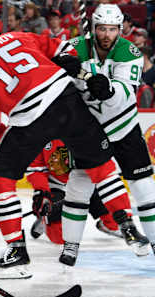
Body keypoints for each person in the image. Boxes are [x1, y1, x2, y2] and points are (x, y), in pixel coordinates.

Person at [0, 20, 143, 279]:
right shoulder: (19, 36)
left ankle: (16, 250)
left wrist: (16, 140)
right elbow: (66, 49)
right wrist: (68, 62)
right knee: (101, 166)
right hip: (67, 97)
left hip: (30, 117)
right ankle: (127, 223)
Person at [69, 3, 155, 256]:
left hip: (124, 126)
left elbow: (125, 93)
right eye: (102, 29)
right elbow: (57, 75)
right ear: (94, 27)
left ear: (120, 29)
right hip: (91, 131)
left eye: (112, 29)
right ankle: (70, 249)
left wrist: (107, 90)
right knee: (80, 185)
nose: (107, 34)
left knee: (142, 185)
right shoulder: (76, 47)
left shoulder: (129, 50)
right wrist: (66, 66)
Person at [26, 139, 125, 244]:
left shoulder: (88, 128)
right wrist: (43, 193)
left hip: (86, 181)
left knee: (115, 221)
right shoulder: (41, 131)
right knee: (61, 238)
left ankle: (106, 225)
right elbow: (35, 169)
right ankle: (44, 221)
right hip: (56, 185)